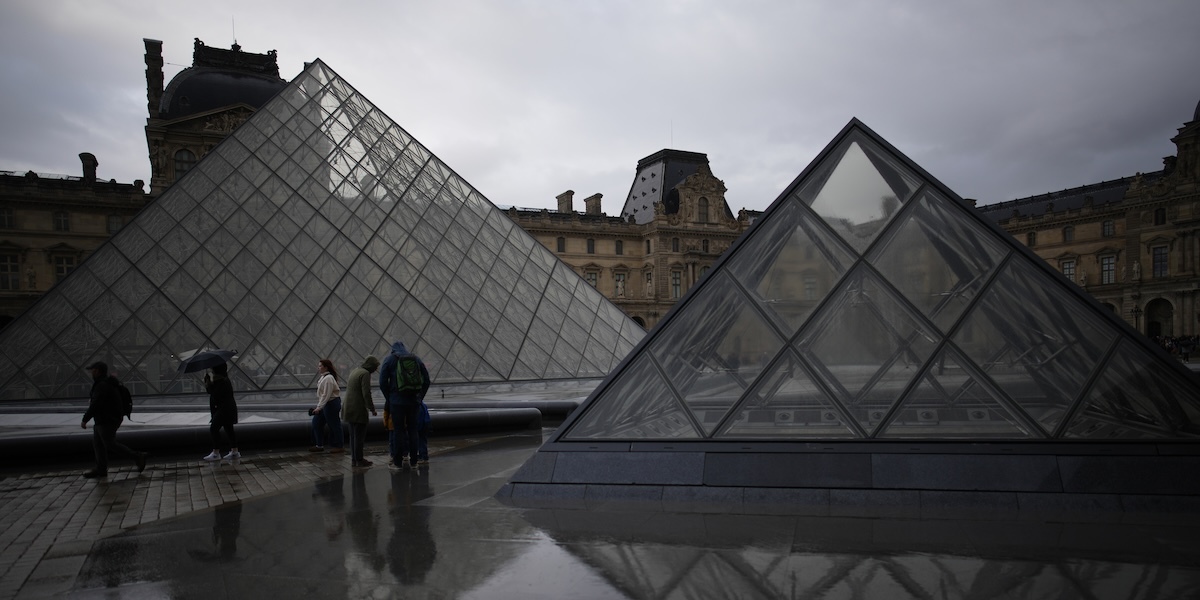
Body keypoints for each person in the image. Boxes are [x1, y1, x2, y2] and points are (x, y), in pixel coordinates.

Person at [80, 361, 147, 478]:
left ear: (98, 371)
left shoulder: (101, 385)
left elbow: (96, 404)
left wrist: (85, 419)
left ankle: (137, 456)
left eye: (93, 370)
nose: (91, 372)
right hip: (107, 418)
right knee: (98, 444)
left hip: (106, 419)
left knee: (109, 443)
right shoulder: (108, 383)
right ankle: (101, 469)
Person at [379, 340, 430, 469]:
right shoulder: (416, 359)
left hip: (396, 401)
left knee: (398, 431)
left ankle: (397, 463)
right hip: (413, 401)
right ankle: (414, 462)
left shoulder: (389, 359)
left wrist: (389, 398)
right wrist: (420, 397)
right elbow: (427, 380)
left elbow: (382, 382)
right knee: (413, 430)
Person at [343, 355, 380, 467]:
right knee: (359, 436)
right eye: (375, 367)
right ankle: (359, 459)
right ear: (371, 366)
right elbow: (366, 393)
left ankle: (354, 459)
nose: (376, 370)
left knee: (353, 435)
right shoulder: (365, 374)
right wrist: (372, 409)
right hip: (358, 409)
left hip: (348, 407)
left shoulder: (355, 371)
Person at [202, 363, 239, 461]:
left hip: (223, 409)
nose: (211, 370)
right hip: (229, 408)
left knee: (214, 428)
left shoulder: (220, 380)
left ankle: (216, 452)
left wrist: (208, 383)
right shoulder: (224, 378)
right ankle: (234, 451)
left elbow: (214, 394)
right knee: (229, 429)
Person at [309, 359, 345, 453]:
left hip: (331, 403)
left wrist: (319, 407)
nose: (318, 368)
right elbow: (323, 395)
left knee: (334, 425)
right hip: (326, 403)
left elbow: (326, 394)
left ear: (326, 367)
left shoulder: (328, 378)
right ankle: (319, 445)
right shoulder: (324, 377)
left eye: (320, 366)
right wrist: (320, 406)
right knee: (316, 423)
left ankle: (339, 446)